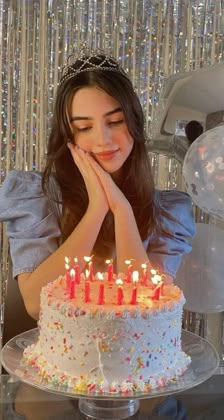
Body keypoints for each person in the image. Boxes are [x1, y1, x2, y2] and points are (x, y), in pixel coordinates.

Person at [0, 48, 196, 321]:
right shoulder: (37, 197)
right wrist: (97, 209)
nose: (103, 139)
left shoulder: (168, 213)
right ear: (68, 136)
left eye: (115, 121)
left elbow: (145, 314)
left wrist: (122, 210)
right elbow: (36, 304)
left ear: (135, 122)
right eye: (84, 127)